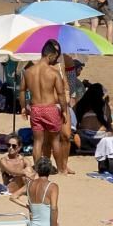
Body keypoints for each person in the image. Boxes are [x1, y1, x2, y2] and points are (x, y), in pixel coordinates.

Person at [23, 40, 71, 173]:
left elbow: (22, 90)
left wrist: (23, 106)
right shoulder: (51, 72)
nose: (56, 57)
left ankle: (52, 167)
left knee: (40, 140)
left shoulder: (30, 71)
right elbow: (61, 93)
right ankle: (58, 169)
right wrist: (64, 110)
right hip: (51, 107)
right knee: (53, 140)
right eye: (55, 54)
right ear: (50, 55)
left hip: (38, 108)